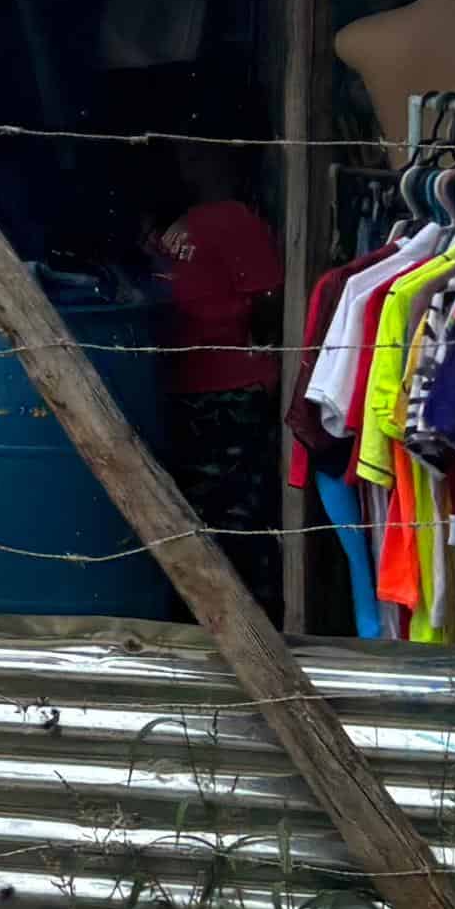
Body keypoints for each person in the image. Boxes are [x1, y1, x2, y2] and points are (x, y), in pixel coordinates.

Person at [152, 137, 286, 613]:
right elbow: (268, 297)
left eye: (197, 154)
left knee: (223, 517)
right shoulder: (207, 220)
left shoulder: (215, 221)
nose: (189, 164)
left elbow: (268, 298)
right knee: (221, 514)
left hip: (216, 388)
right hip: (210, 387)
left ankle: (236, 616)